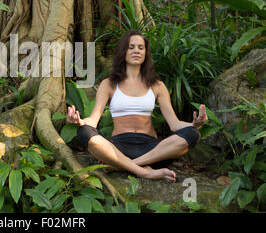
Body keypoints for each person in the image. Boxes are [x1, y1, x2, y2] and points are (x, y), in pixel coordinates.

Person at [66, 30, 208, 182]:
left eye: (141, 47)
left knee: (192, 134)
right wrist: (79, 121)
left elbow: (174, 124)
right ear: (123, 51)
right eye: (131, 47)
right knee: (84, 132)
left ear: (146, 53)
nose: (136, 51)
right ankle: (145, 172)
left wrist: (194, 124)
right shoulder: (108, 84)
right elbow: (93, 121)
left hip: (152, 150)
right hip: (118, 148)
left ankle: (124, 166)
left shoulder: (157, 85)